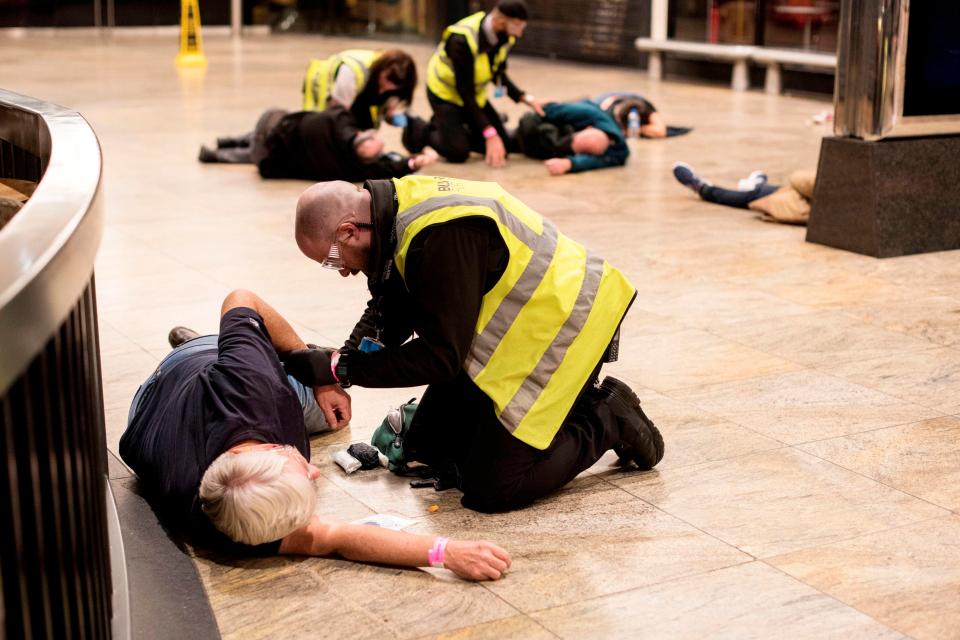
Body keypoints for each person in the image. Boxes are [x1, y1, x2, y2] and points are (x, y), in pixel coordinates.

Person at [288, 175, 665, 514]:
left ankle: (607, 417)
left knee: (491, 489)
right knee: (428, 447)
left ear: (350, 230)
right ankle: (558, 411)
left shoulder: (442, 235)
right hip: (518, 331)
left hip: (566, 328)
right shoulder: (397, 212)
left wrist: (344, 369)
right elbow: (391, 307)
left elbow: (440, 359)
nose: (342, 271)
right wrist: (340, 361)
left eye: (332, 259)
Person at [119, 289, 511, 581]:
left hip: (188, 367)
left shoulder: (250, 388)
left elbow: (241, 297)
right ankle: (254, 353)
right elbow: (336, 538)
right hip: (149, 411)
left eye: (299, 468)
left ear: (272, 446)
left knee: (326, 406)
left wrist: (318, 372)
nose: (316, 472)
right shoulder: (232, 518)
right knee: (318, 413)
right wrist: (446, 551)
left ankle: (231, 346)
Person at [402, 0, 548, 167]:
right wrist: (489, 132)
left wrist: (526, 98)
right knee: (458, 152)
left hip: (474, 96)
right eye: (517, 25)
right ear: (500, 21)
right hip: (445, 94)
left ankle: (454, 126)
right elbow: (465, 91)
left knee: (504, 146)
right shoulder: (461, 39)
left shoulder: (506, 36)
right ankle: (420, 129)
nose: (520, 33)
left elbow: (498, 74)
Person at [198, 104, 438, 182]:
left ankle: (221, 147)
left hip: (271, 138)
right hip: (272, 147)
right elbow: (387, 167)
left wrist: (412, 162)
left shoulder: (339, 121)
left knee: (268, 136)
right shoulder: (353, 168)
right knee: (267, 141)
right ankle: (219, 150)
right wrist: (413, 162)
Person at [302, 49, 417, 130]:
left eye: (395, 86)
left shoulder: (395, 83)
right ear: (381, 69)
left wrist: (390, 115)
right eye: (387, 80)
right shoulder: (351, 73)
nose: (388, 87)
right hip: (325, 92)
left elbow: (385, 107)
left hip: (357, 99)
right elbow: (337, 116)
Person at [673, 162, 815, 225]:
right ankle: (757, 183)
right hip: (789, 195)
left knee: (734, 197)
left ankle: (701, 187)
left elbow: (798, 179)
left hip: (783, 200)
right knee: (758, 191)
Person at [513, 99, 629, 176]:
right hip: (548, 125)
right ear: (588, 128)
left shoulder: (619, 148)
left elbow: (601, 161)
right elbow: (545, 112)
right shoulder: (586, 113)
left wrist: (570, 163)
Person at [593, 92, 667, 138]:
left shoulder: (643, 105)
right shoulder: (603, 113)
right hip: (601, 103)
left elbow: (661, 131)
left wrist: (638, 129)